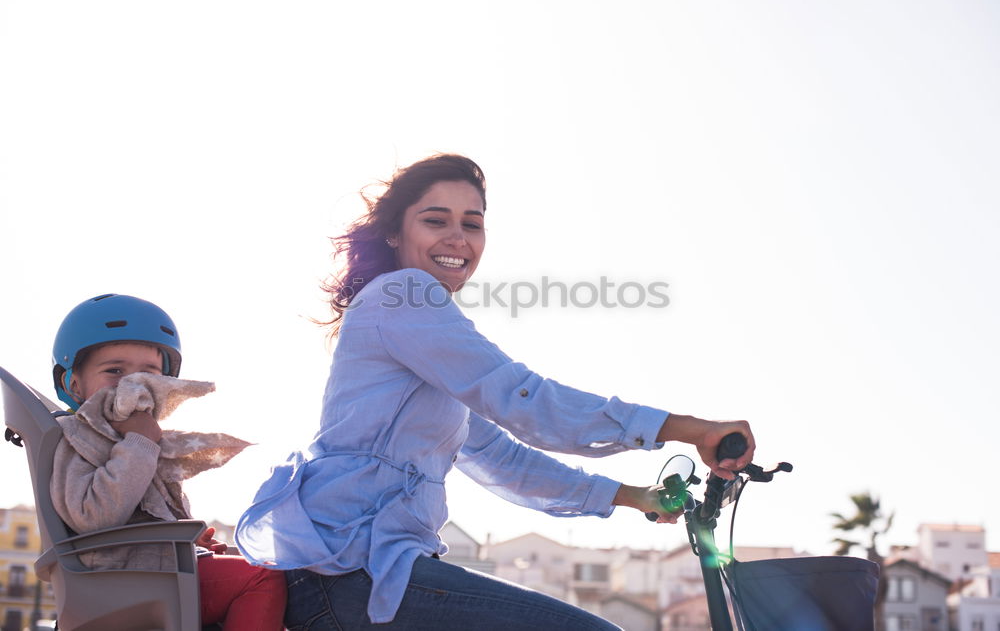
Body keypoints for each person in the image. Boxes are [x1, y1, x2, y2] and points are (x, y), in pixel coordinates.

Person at [235, 154, 756, 630]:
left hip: (356, 574)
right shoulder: (404, 295)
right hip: (352, 574)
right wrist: (692, 430)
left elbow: (501, 459)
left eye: (473, 224)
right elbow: (523, 398)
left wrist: (629, 496)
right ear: (394, 233)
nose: (458, 238)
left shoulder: (421, 333)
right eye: (436, 220)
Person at [50, 294, 287, 631]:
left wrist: (188, 541)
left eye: (148, 373)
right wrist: (140, 442)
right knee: (261, 578)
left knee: (276, 564)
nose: (133, 385)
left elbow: (140, 517)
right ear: (73, 384)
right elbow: (93, 517)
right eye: (115, 371)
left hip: (153, 571)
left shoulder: (140, 440)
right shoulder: (77, 438)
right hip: (127, 583)